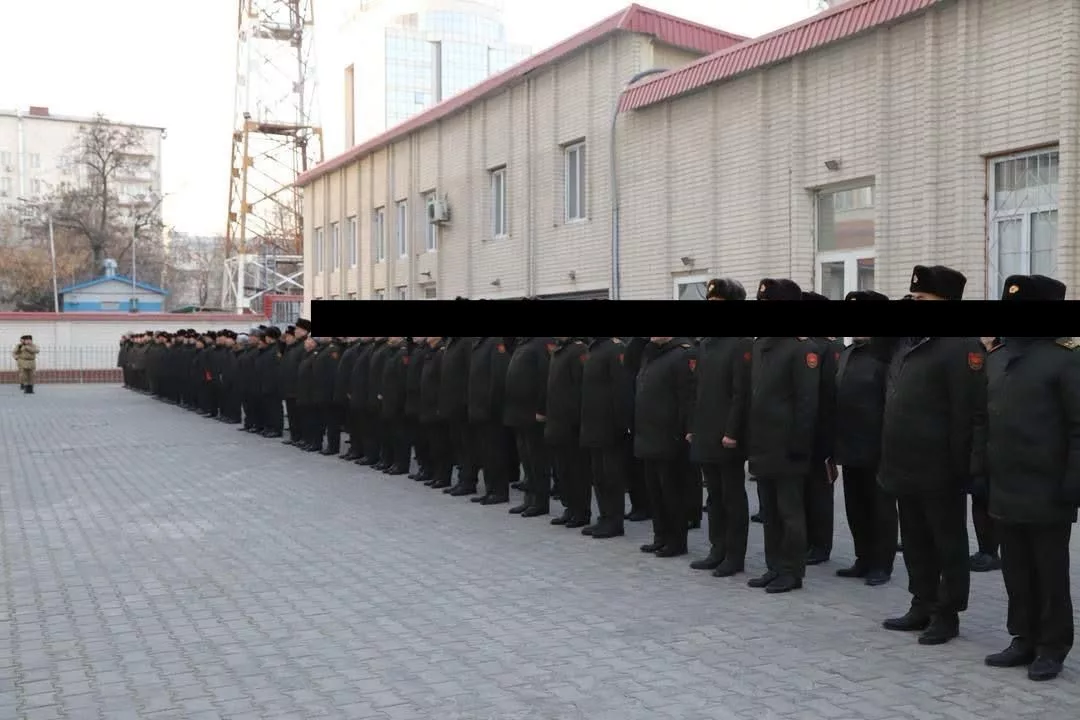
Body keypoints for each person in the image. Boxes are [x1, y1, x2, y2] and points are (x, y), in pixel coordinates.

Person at [880, 265, 986, 645]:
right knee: (915, 540)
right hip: (902, 461)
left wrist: (965, 466)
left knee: (947, 543)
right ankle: (921, 602)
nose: (913, 303)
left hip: (941, 466)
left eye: (921, 298)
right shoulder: (908, 341)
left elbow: (970, 411)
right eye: (911, 297)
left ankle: (947, 613)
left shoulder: (961, 345)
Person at [979, 274, 1078, 682]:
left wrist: (1073, 483)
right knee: (1016, 570)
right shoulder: (998, 357)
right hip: (1005, 482)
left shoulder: (1066, 359)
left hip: (1047, 486)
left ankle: (1052, 646)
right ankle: (1023, 637)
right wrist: (979, 469)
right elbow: (983, 419)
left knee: (1049, 572)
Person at [747, 278, 819, 594]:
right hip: (762, 443)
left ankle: (792, 571)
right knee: (770, 512)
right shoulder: (761, 345)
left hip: (787, 445)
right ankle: (774, 566)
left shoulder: (802, 348)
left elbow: (807, 402)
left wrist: (799, 444)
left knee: (790, 512)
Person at [688, 278, 752, 576]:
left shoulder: (741, 343)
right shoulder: (706, 343)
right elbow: (697, 390)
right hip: (705, 431)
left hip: (727, 435)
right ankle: (717, 549)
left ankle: (734, 556)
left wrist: (732, 432)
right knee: (713, 496)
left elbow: (741, 393)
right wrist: (692, 425)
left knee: (732, 496)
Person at [834, 295, 896, 586]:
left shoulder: (886, 357)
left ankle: (882, 564)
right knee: (855, 507)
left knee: (880, 508)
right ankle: (863, 558)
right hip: (849, 444)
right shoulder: (848, 354)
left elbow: (891, 404)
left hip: (877, 446)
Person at [635, 337, 697, 557]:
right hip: (648, 435)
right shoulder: (650, 354)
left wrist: (686, 428)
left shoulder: (680, 355)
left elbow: (687, 397)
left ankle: (676, 541)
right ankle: (660, 536)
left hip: (669, 436)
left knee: (672, 493)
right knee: (655, 492)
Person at [580, 336, 634, 539]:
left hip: (610, 425)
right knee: (599, 475)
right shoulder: (594, 348)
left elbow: (622, 388)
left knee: (612, 476)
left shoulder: (615, 348)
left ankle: (614, 521)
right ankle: (604, 516)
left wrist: (622, 424)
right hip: (593, 423)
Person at [503, 336, 554, 516]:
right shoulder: (523, 343)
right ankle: (529, 499)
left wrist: (541, 409)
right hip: (518, 412)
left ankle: (540, 502)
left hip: (533, 412)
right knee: (526, 458)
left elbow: (545, 377)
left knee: (537, 459)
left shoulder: (540, 343)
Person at [544, 337, 591, 527]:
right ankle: (570, 508)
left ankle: (581, 511)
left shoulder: (578, 350)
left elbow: (581, 386)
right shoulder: (560, 351)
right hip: (557, 422)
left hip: (572, 424)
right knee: (563, 470)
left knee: (577, 470)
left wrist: (576, 418)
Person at [969, 335, 1003, 573]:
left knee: (992, 498)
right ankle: (984, 549)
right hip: (977, 437)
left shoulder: (1003, 354)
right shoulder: (973, 351)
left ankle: (992, 551)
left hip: (998, 439)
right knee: (979, 496)